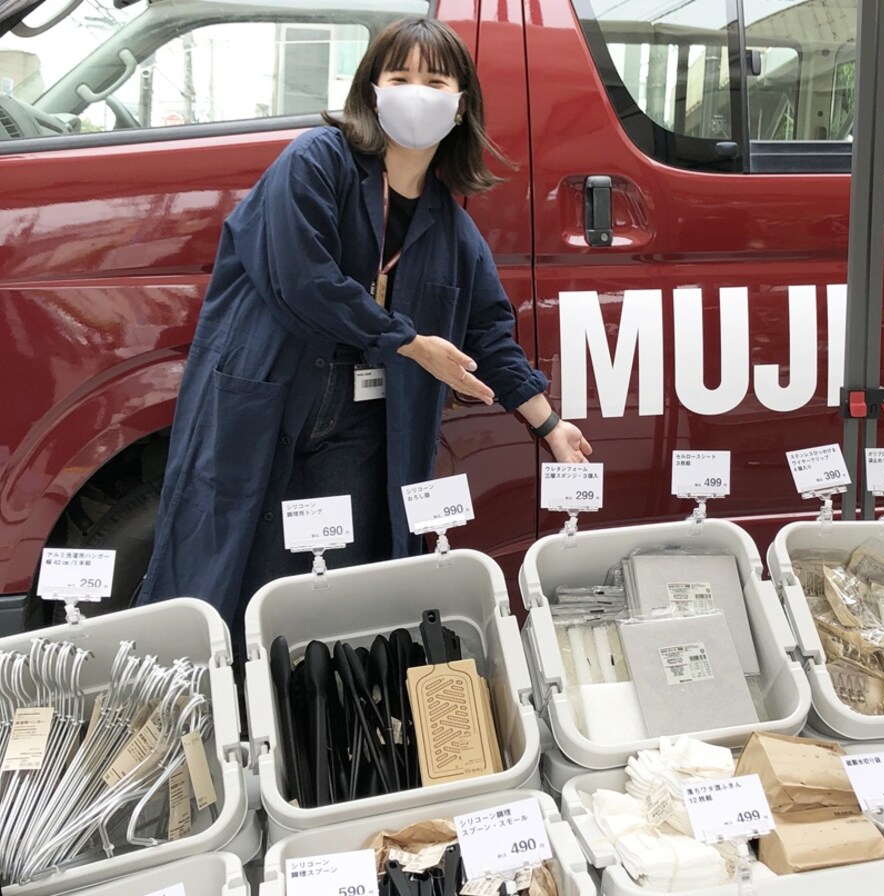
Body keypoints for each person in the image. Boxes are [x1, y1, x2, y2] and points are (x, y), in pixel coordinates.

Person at [138, 17, 591, 634]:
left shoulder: (454, 230)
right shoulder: (316, 162)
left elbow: (488, 337)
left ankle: (310, 718)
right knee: (236, 568)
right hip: (270, 398)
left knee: (338, 584)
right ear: (371, 92)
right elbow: (302, 280)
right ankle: (218, 712)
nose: (416, 92)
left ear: (460, 109)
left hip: (359, 425)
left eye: (435, 81)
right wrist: (407, 341)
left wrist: (552, 426)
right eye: (398, 76)